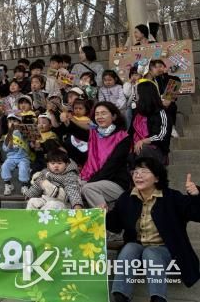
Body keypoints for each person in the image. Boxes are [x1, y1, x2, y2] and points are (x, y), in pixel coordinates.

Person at [108, 157, 200, 302]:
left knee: (151, 252)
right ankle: (120, 296)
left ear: (157, 178)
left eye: (144, 171)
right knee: (129, 247)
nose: (138, 175)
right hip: (138, 248)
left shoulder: (172, 197)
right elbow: (115, 225)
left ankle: (158, 298)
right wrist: (104, 214)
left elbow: (197, 214)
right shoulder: (126, 198)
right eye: (135, 172)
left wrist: (196, 196)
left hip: (166, 249)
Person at [79, 102, 131, 208]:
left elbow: (112, 165)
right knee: (72, 187)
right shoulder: (94, 133)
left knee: (87, 188)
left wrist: (89, 181)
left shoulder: (123, 137)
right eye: (97, 114)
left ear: (114, 116)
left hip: (115, 181)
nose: (99, 117)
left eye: (103, 113)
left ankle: (105, 216)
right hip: (92, 178)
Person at [129, 80, 172, 165]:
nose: (135, 97)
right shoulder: (137, 113)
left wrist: (143, 141)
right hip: (136, 147)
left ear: (144, 95)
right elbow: (130, 133)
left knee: (142, 148)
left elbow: (161, 136)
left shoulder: (161, 113)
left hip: (156, 151)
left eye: (137, 94)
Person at [1, 114, 31, 196]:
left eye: (14, 121)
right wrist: (9, 146)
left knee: (23, 167)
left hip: (23, 157)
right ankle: (8, 184)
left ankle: (24, 185)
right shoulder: (7, 135)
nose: (12, 123)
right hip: (11, 158)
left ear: (20, 123)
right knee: (4, 166)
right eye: (10, 121)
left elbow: (29, 143)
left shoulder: (24, 133)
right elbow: (4, 149)